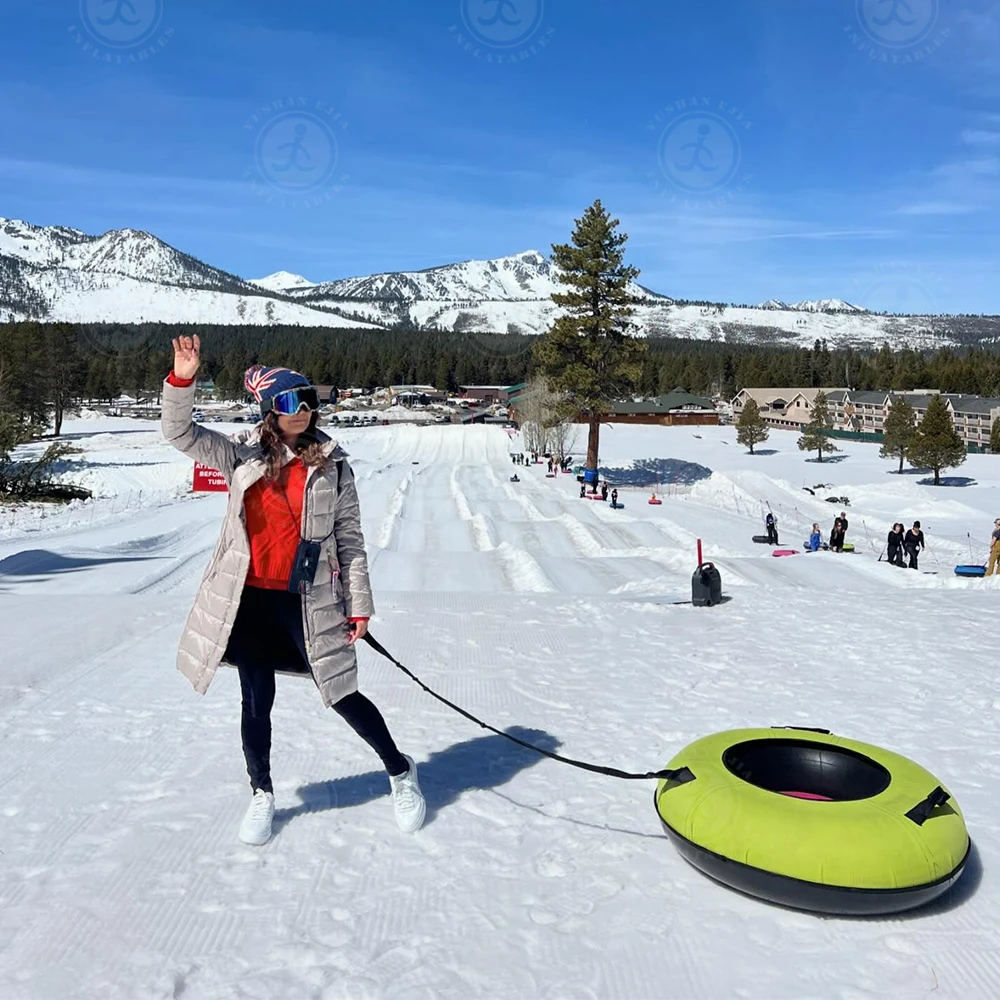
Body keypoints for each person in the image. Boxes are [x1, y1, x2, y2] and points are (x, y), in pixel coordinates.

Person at [161, 335, 425, 846]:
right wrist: (183, 378)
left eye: (309, 400)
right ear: (268, 410)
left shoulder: (333, 465)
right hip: (249, 600)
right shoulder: (238, 458)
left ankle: (400, 771)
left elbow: (350, 540)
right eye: (288, 402)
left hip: (307, 600)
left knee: (342, 693)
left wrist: (360, 604)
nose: (301, 411)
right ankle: (261, 792)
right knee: (256, 701)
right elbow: (178, 431)